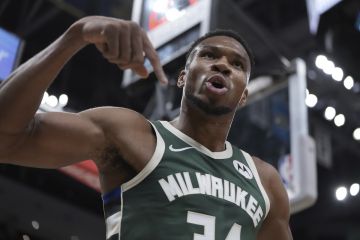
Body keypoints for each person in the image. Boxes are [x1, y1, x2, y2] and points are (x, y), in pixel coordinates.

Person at [0, 16, 293, 240]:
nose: (222, 65)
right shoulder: (131, 135)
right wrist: (76, 35)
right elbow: (7, 139)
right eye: (208, 55)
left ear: (244, 95)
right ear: (183, 77)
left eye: (237, 64)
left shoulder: (265, 182)